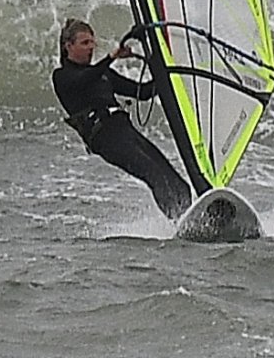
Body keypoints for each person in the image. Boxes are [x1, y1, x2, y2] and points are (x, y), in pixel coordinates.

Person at [53, 17, 196, 219]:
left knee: (177, 183)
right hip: (106, 139)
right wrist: (112, 56)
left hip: (125, 130)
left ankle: (193, 217)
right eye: (85, 43)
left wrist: (167, 72)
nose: (91, 47)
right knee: (154, 175)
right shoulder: (62, 77)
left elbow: (143, 92)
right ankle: (180, 221)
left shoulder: (105, 75)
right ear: (68, 46)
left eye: (92, 42)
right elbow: (85, 79)